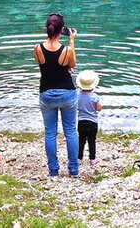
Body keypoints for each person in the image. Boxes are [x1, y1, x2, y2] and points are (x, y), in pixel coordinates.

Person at [34, 13, 79, 177]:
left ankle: (53, 170)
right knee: (70, 132)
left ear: (47, 29)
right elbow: (72, 64)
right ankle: (73, 170)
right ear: (62, 31)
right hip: (67, 93)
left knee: (50, 133)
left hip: (46, 93)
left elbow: (43, 65)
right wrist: (72, 41)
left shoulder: (37, 48)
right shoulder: (66, 50)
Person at [76, 70, 102, 164]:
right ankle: (92, 159)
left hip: (81, 121)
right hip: (92, 122)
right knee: (92, 141)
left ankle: (79, 158)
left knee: (81, 140)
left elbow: (75, 106)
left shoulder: (77, 95)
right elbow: (99, 108)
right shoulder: (95, 97)